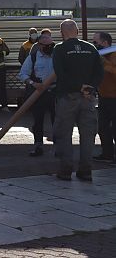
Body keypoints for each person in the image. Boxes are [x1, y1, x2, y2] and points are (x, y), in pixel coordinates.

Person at [40, 19, 103, 181]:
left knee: (64, 134)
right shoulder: (91, 48)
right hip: (88, 98)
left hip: (67, 97)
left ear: (62, 33)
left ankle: (66, 170)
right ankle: (86, 171)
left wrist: (78, 87)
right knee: (88, 135)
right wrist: (89, 88)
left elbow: (60, 73)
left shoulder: (60, 49)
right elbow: (99, 72)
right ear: (78, 31)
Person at [17, 30, 56, 157]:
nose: (49, 48)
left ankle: (58, 146)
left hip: (55, 91)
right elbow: (23, 74)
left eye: (51, 45)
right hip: (38, 92)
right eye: (46, 46)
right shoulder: (33, 57)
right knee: (38, 120)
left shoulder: (58, 56)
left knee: (57, 120)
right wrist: (32, 83)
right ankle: (38, 145)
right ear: (39, 45)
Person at [93, 31, 116, 164]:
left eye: (95, 42)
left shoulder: (113, 54)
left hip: (114, 98)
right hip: (103, 97)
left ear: (105, 42)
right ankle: (107, 154)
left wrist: (104, 62)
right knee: (102, 127)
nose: (94, 44)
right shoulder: (99, 56)